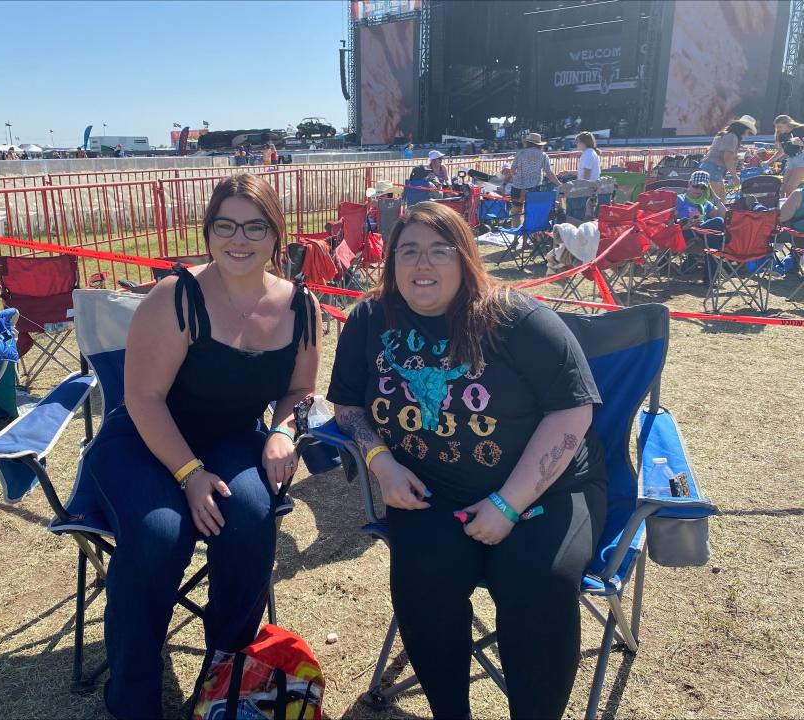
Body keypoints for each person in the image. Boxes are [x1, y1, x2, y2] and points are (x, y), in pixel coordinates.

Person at [328, 201, 606, 720]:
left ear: (466, 259)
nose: (422, 265)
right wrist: (381, 462)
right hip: (431, 490)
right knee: (422, 577)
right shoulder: (370, 318)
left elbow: (573, 414)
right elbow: (346, 404)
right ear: (390, 263)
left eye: (440, 251)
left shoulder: (517, 320)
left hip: (544, 492)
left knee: (539, 583)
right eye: (408, 251)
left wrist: (507, 504)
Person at [86, 174, 321, 719]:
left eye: (255, 226)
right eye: (226, 225)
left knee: (251, 515)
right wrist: (190, 474)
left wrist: (285, 430)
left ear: (276, 235)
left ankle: (228, 683)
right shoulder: (178, 295)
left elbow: (300, 390)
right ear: (209, 232)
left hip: (233, 438)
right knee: (159, 534)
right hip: (144, 439)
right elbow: (142, 398)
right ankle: (133, 699)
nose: (239, 239)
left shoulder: (299, 307)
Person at [677, 170, 728, 284]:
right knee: (717, 227)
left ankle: (709, 279)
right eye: (696, 186)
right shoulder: (680, 199)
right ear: (689, 183)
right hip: (686, 233)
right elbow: (671, 220)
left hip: (702, 236)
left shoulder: (705, 203)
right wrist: (684, 223)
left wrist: (714, 195)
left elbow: (726, 216)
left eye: (703, 188)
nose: (699, 190)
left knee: (714, 237)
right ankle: (711, 277)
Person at [698, 115, 757, 198]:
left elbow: (724, 155)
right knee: (714, 200)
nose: (747, 135)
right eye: (748, 132)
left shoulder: (727, 135)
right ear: (743, 129)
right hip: (714, 169)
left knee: (721, 199)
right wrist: (735, 176)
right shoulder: (732, 137)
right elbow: (727, 158)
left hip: (713, 168)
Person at [509, 133, 563, 210]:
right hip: (534, 187)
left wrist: (516, 178)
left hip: (518, 187)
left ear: (527, 142)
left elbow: (513, 170)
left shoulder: (520, 153)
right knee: (531, 212)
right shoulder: (543, 155)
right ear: (539, 144)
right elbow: (549, 172)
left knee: (516, 212)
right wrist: (559, 184)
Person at [770, 115, 804, 195]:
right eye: (776, 127)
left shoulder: (800, 129)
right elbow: (781, 151)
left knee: (790, 189)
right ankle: (782, 206)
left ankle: (794, 206)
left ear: (787, 124)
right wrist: (767, 162)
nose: (777, 129)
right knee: (783, 190)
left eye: (779, 126)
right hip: (791, 160)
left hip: (802, 158)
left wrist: (802, 143)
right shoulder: (782, 135)